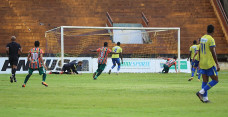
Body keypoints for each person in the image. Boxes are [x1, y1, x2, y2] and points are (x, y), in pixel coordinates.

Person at [196, 25, 220, 103]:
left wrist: (199, 61)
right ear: (213, 31)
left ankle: (205, 99)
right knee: (215, 80)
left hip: (202, 62)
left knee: (205, 81)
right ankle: (201, 92)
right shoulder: (211, 39)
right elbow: (213, 52)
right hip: (209, 63)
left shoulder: (202, 38)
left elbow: (199, 50)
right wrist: (217, 63)